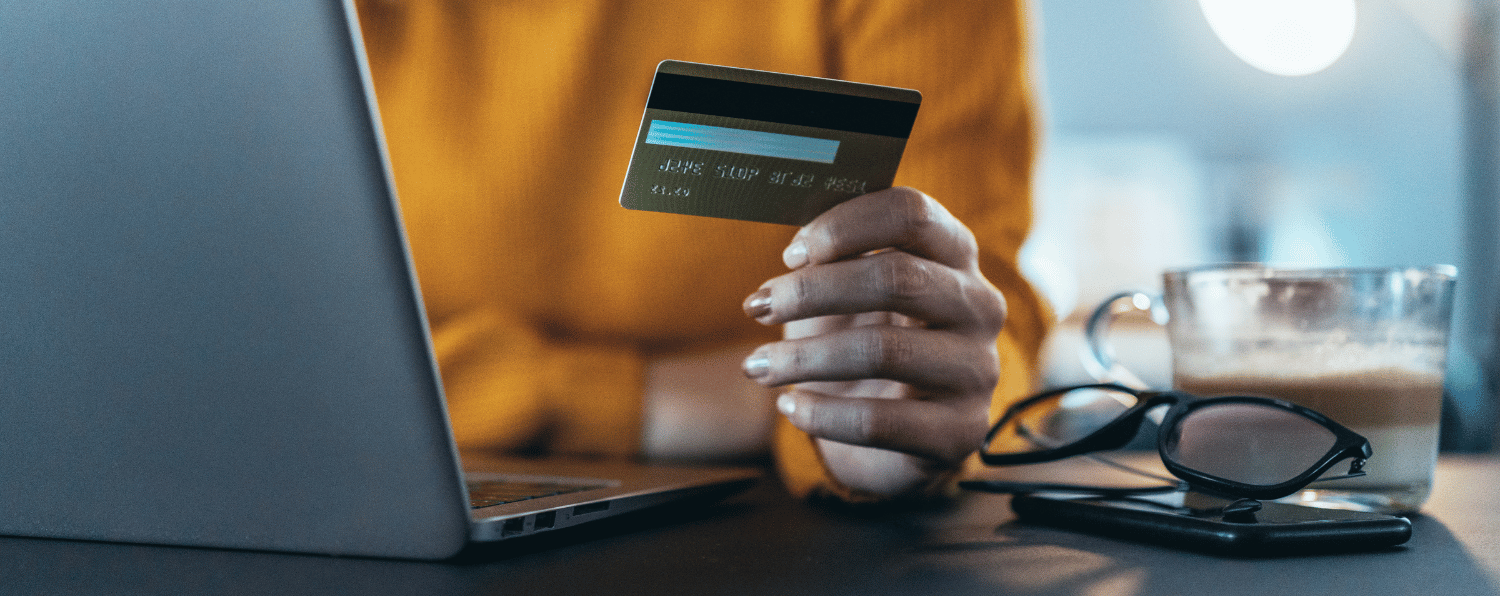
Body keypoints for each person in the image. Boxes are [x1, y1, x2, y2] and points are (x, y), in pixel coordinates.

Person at [353, 0, 1050, 502]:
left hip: (788, 537)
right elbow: (271, 370)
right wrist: (665, 402)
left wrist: (903, 411)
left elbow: (985, 328)